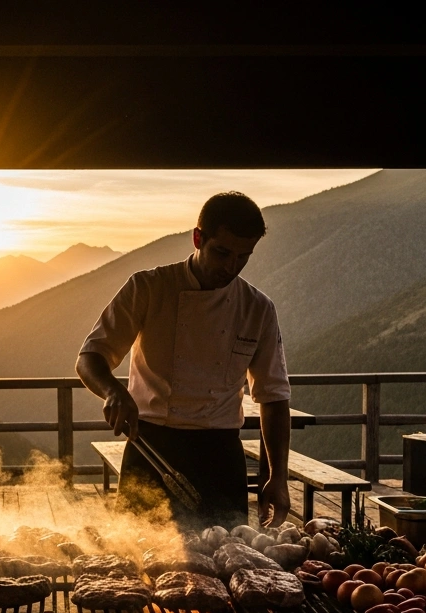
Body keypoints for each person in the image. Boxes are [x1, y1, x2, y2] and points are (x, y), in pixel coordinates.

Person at [76, 192, 292, 530]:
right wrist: (113, 392)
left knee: (225, 562)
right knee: (135, 561)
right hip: (150, 444)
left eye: (243, 256)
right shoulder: (149, 287)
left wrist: (278, 477)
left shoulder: (258, 309)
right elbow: (90, 356)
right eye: (222, 253)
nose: (231, 267)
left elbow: (274, 397)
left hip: (219, 453)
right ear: (198, 238)